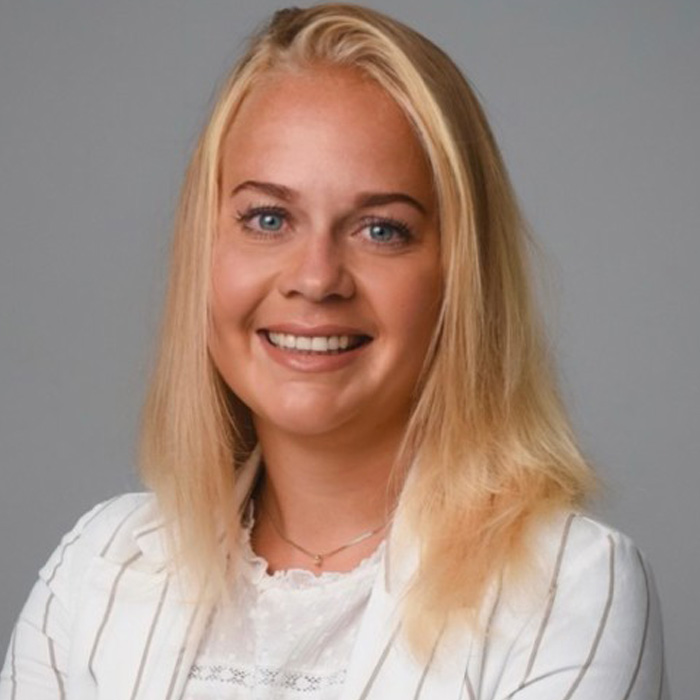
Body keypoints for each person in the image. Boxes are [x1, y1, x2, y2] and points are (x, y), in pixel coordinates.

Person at [0, 4, 667, 699]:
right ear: (203, 249)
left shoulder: (572, 585)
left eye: (381, 229)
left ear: (460, 280)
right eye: (268, 218)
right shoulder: (97, 564)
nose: (316, 278)